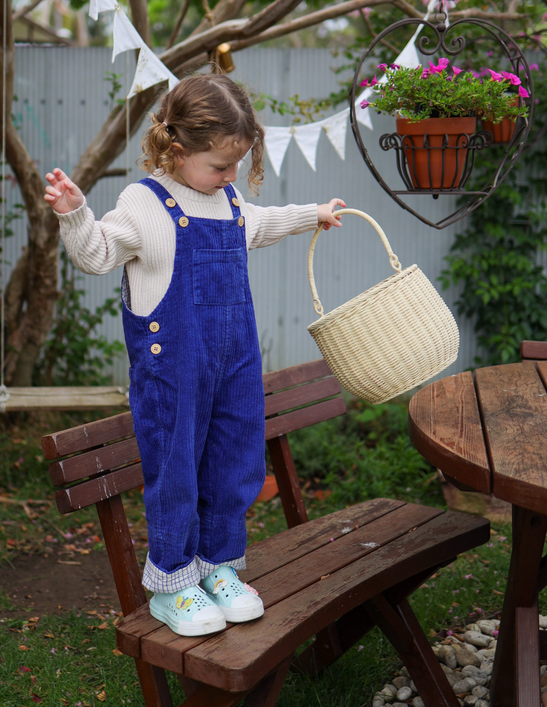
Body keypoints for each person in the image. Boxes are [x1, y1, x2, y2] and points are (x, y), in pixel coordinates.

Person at [44, 74, 344, 637]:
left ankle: (220, 567)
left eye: (237, 166)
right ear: (177, 151)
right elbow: (97, 255)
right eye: (220, 166)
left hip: (233, 363)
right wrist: (75, 214)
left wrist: (313, 213)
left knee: (236, 460)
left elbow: (264, 222)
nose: (231, 177)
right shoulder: (144, 202)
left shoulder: (227, 200)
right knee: (176, 469)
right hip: (173, 372)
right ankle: (174, 583)